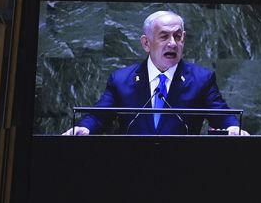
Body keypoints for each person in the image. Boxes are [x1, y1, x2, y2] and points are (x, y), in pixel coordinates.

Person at [65, 10, 248, 136]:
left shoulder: (201, 79)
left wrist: (233, 127)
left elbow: (222, 115)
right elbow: (99, 115)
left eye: (177, 36)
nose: (173, 43)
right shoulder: (121, 80)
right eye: (164, 36)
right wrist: (84, 128)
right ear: (146, 43)